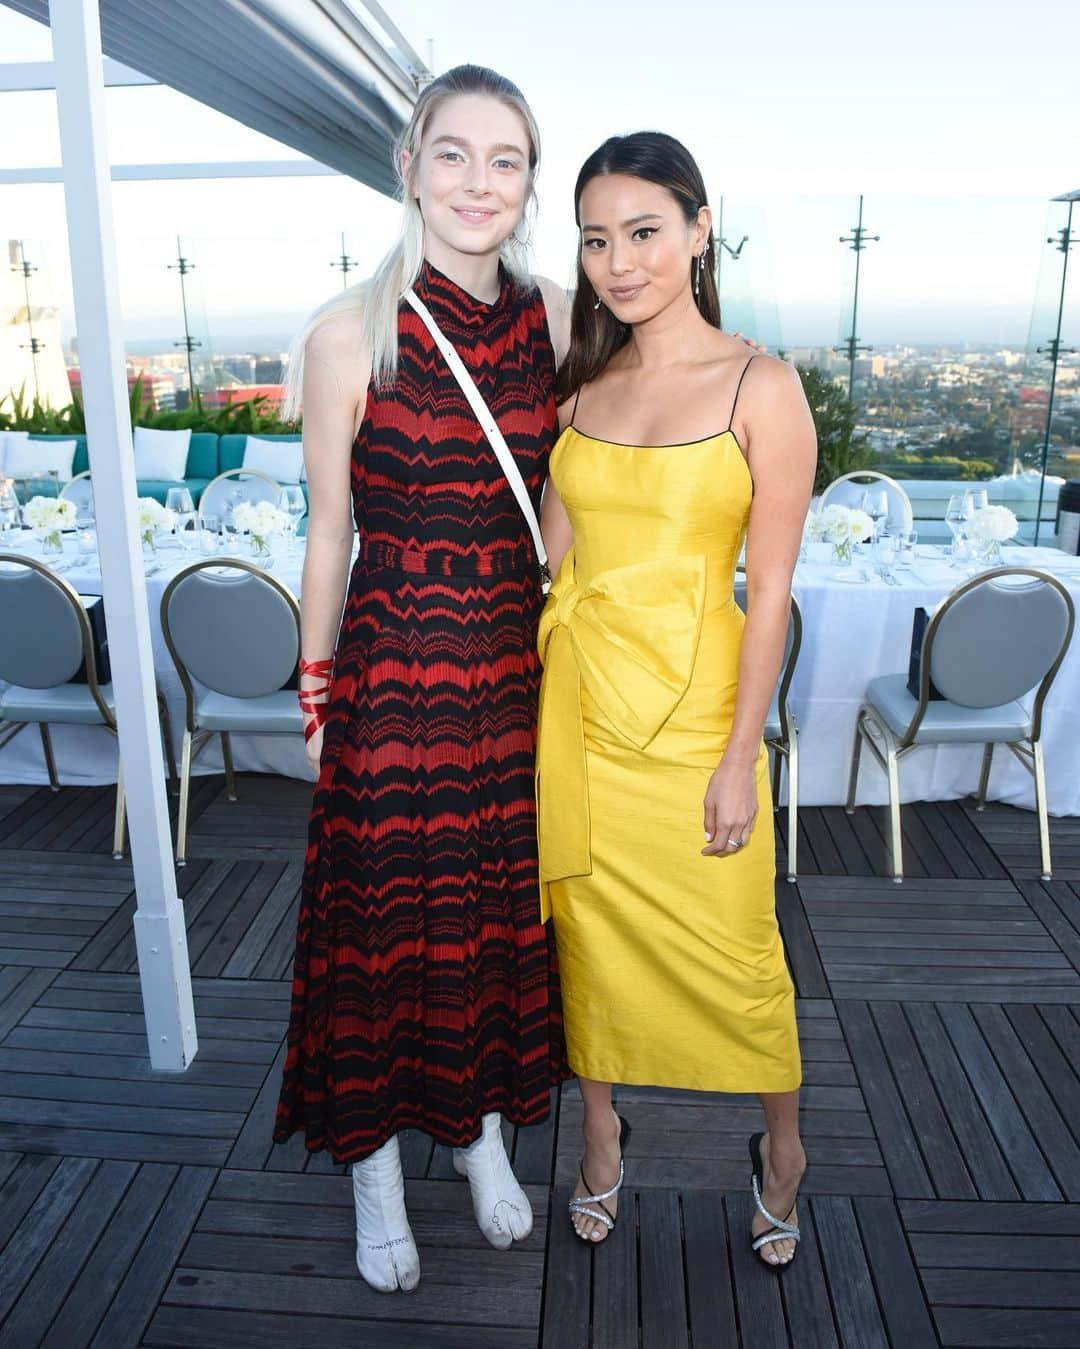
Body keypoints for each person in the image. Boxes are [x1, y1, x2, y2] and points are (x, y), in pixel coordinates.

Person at [273, 65, 573, 1293]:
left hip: (510, 674)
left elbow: (564, 510)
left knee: (496, 920)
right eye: (453, 154)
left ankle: (479, 1132)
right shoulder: (346, 332)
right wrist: (314, 686)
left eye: (505, 160)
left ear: (526, 184)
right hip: (393, 677)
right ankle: (376, 1168)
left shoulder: (558, 318)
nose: (477, 182)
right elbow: (325, 532)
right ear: (408, 167)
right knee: (389, 924)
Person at [537, 132, 815, 1269]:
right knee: (589, 944)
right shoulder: (583, 382)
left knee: (739, 949)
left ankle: (783, 1150)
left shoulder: (764, 386)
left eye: (644, 231)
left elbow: (774, 597)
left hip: (702, 718)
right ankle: (601, 1132)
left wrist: (739, 752)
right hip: (583, 716)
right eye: (597, 237)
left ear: (701, 230)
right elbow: (551, 555)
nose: (619, 260)